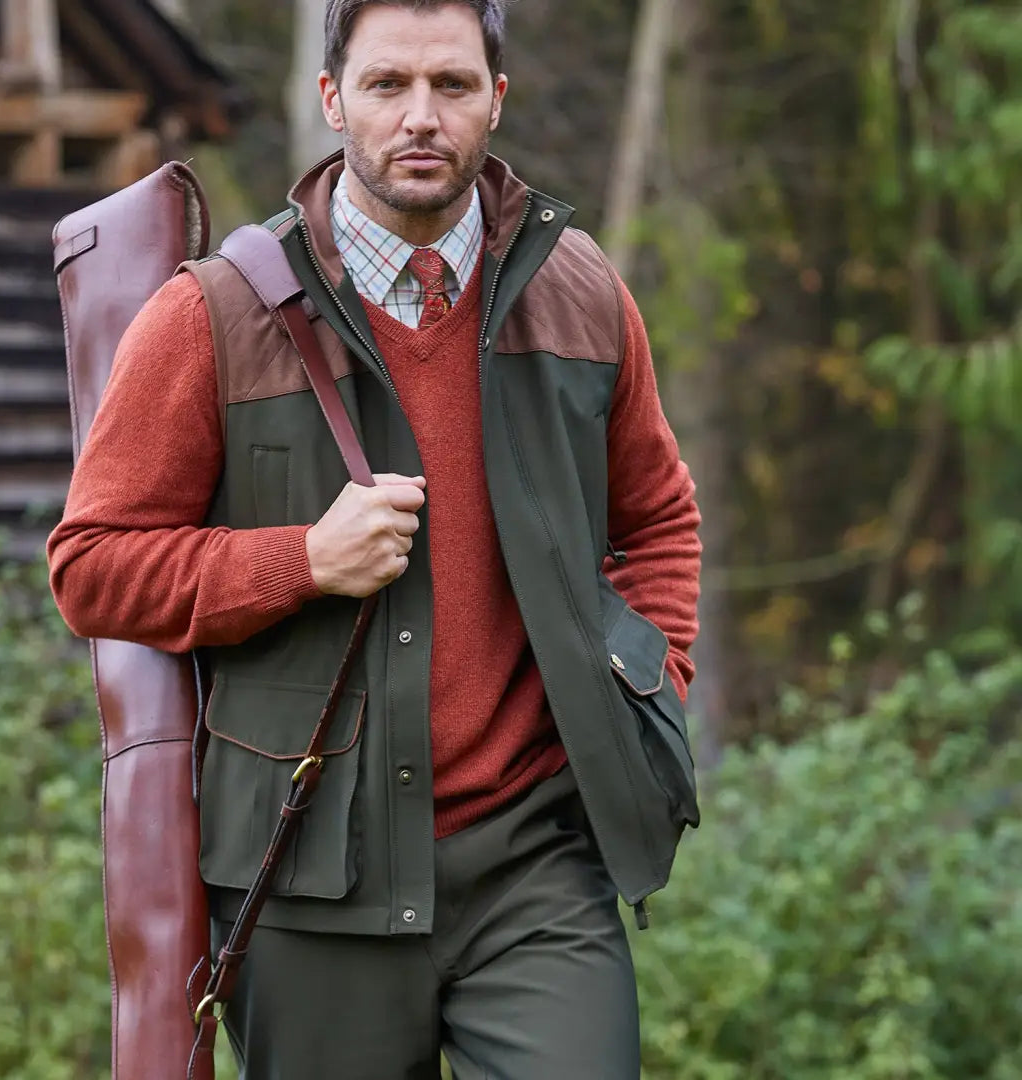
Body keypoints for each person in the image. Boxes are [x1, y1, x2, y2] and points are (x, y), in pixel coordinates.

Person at [47, 0, 702, 1076]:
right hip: (311, 875)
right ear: (332, 98)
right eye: (389, 84)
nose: (421, 116)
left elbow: (660, 518)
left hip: (536, 861)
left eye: (451, 85)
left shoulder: (579, 292)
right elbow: (93, 566)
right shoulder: (213, 317)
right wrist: (300, 561)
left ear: (497, 99)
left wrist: (648, 685)